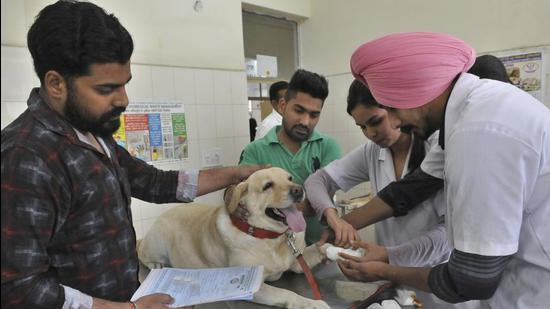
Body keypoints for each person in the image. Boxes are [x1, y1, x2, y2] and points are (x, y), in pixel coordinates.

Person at [0, 1, 264, 308]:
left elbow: (155, 183)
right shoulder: (28, 157)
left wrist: (236, 174)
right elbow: (18, 288)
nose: (124, 100)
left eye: (124, 85)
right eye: (106, 88)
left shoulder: (91, 132)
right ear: (56, 83)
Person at [340, 31, 550, 308]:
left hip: (533, 293)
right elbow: (413, 187)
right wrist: (344, 224)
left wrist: (382, 270)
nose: (396, 123)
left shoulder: (478, 131)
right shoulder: (472, 111)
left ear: (414, 93)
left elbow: (471, 279)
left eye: (392, 109)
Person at [305, 80, 479, 308]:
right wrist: (334, 219)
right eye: (362, 127)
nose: (371, 134)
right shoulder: (373, 152)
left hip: (440, 282)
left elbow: (448, 233)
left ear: (396, 110)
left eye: (376, 121)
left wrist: (388, 256)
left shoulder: (438, 146)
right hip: (396, 285)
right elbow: (318, 180)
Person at [227, 69, 341, 245]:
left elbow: (321, 199)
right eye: (299, 110)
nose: (305, 121)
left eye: (314, 115)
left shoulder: (328, 147)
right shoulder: (255, 150)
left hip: (320, 248)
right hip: (269, 252)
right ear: (282, 106)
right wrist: (233, 201)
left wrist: (269, 202)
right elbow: (235, 190)